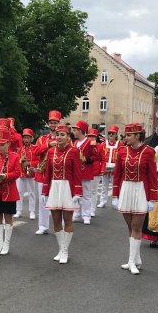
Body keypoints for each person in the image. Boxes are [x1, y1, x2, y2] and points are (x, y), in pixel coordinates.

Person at [111, 123, 158, 275]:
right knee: (130, 227)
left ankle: (131, 261)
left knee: (137, 227)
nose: (126, 138)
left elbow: (152, 176)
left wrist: (152, 198)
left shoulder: (149, 152)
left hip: (141, 190)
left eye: (129, 135)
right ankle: (136, 258)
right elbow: (117, 174)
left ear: (137, 135)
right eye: (125, 135)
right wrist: (115, 195)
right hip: (125, 189)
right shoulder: (122, 151)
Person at [41, 124, 82, 264]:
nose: (59, 137)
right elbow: (48, 173)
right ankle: (60, 248)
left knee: (68, 219)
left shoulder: (74, 152)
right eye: (57, 134)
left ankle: (65, 250)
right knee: (56, 219)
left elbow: (77, 174)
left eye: (62, 135)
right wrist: (45, 191)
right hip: (54, 187)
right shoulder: (51, 152)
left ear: (68, 137)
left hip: (68, 188)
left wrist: (78, 192)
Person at [0, 129, 21, 255]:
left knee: (8, 218)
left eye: (2, 145)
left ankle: (6, 244)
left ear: (8, 143)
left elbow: (17, 173)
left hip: (9, 192)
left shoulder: (15, 157)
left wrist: (5, 176)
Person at [33, 110, 61, 235]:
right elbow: (36, 152)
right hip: (43, 173)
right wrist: (49, 145)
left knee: (58, 201)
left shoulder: (63, 137)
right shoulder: (42, 139)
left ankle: (58, 226)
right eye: (51, 123)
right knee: (43, 200)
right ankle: (43, 226)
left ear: (59, 124)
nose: (53, 125)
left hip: (58, 174)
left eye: (55, 123)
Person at [71, 120, 100, 225]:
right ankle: (76, 212)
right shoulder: (75, 143)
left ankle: (86, 215)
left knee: (86, 194)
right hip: (75, 173)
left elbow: (96, 156)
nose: (74, 132)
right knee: (75, 194)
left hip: (85, 172)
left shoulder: (89, 142)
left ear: (81, 131)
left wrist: (86, 159)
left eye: (75, 130)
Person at [15, 128, 37, 220]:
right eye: (25, 138)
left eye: (28, 138)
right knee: (19, 192)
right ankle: (18, 210)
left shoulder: (35, 149)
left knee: (32, 192)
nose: (26, 140)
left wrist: (29, 163)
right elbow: (16, 161)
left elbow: (38, 161)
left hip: (31, 173)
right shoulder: (20, 149)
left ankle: (32, 211)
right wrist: (21, 160)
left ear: (32, 139)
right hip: (21, 173)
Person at [97, 125, 122, 208]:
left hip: (115, 168)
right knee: (104, 185)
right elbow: (100, 155)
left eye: (113, 133)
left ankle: (115, 201)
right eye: (109, 133)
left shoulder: (120, 144)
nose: (111, 135)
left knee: (115, 185)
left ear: (116, 135)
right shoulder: (103, 144)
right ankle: (103, 201)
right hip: (106, 167)